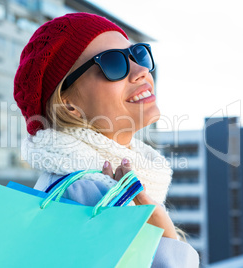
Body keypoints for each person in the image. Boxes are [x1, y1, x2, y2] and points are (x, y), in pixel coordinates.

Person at [14, 12, 199, 267]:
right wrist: (166, 233)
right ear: (68, 105)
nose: (142, 70)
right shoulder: (88, 192)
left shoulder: (101, 182)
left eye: (139, 54)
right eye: (113, 63)